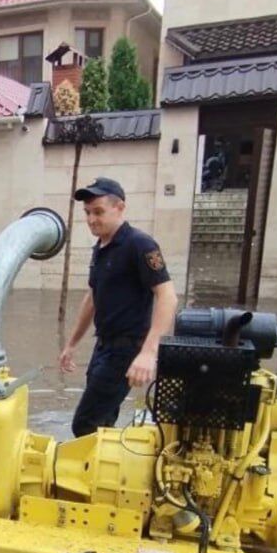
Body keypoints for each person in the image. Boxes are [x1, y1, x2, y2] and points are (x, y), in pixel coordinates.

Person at [58, 177, 178, 438]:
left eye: (98, 212)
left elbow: (167, 296)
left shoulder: (139, 245)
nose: (91, 220)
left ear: (119, 207)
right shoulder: (100, 248)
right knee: (102, 421)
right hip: (103, 345)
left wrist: (148, 353)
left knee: (85, 424)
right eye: (87, 213)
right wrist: (72, 344)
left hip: (127, 348)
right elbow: (92, 298)